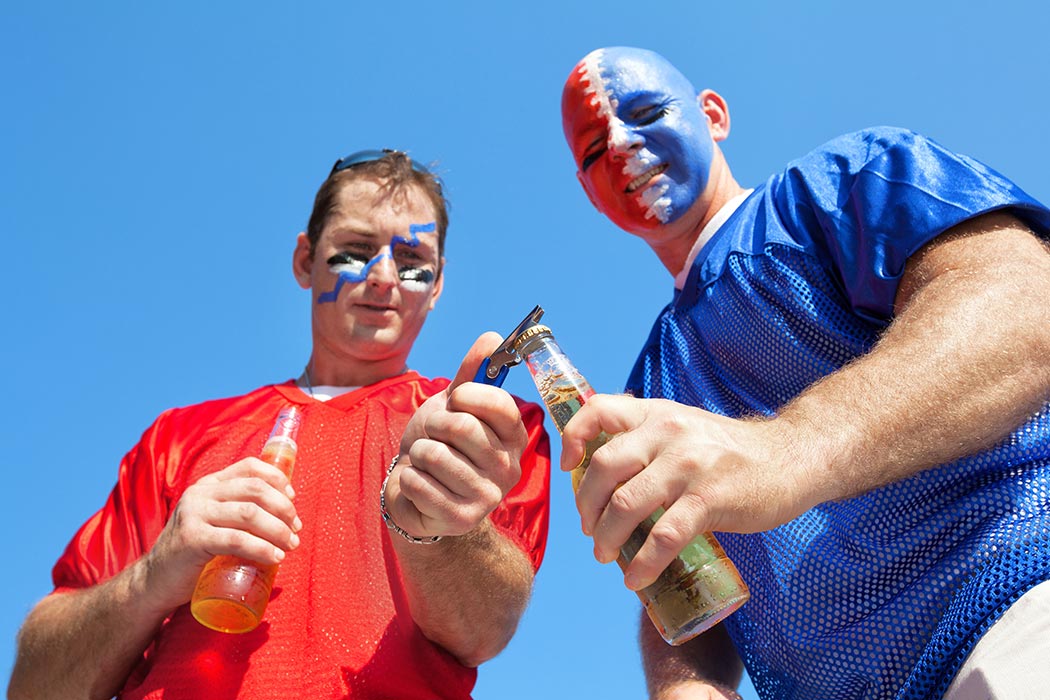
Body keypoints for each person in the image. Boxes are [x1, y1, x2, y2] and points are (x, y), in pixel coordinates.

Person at [558, 46, 1050, 700]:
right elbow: (680, 570)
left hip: (1015, 606)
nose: (620, 143)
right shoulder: (649, 380)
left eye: (647, 112)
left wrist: (786, 449)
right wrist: (685, 684)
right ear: (590, 195)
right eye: (594, 151)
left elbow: (1024, 305)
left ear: (713, 115)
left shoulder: (840, 181)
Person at [8, 150, 551, 699]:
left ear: (436, 287)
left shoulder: (482, 427)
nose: (384, 277)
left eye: (412, 260)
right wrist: (153, 577)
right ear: (303, 259)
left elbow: (484, 631)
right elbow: (34, 686)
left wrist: (443, 523)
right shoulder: (175, 438)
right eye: (357, 250)